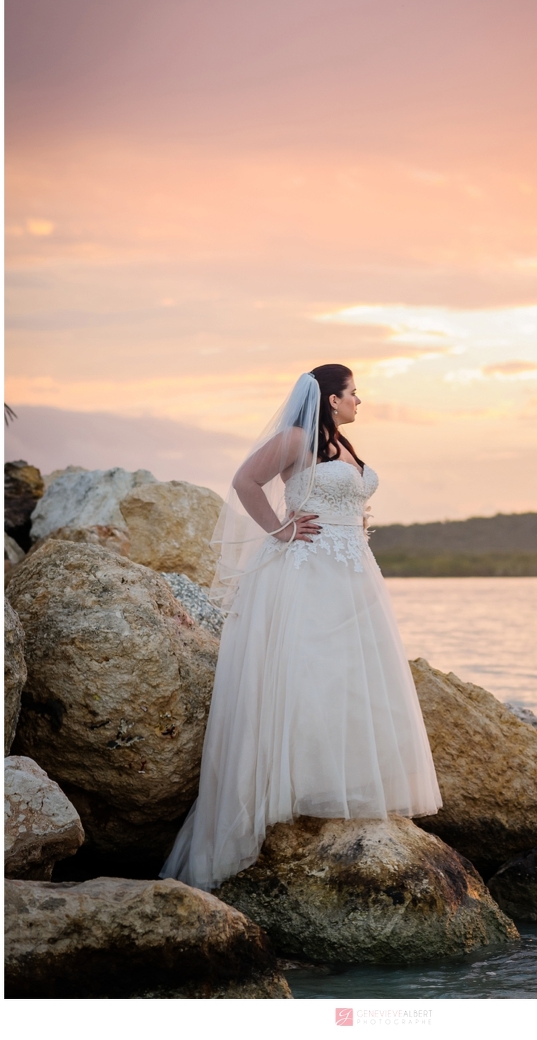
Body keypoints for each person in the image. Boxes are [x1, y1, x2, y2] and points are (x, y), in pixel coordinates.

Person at [160, 364, 442, 890]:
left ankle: (342, 786)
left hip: (354, 572)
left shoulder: (341, 444)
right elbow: (245, 481)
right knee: (309, 671)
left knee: (352, 678)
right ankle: (289, 793)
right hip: (308, 570)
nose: (359, 400)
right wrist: (280, 528)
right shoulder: (294, 438)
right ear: (332, 399)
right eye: (354, 392)